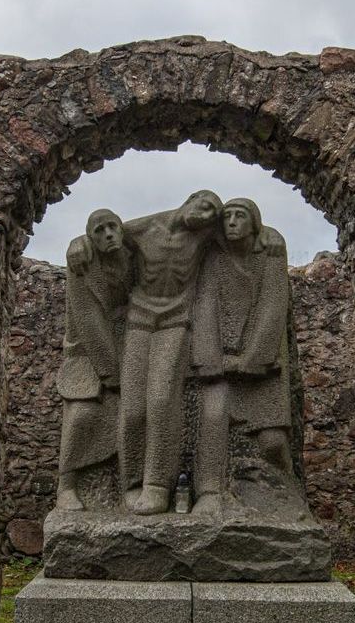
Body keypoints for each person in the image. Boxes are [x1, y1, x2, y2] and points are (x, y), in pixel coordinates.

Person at [115, 190, 223, 514]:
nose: (206, 216)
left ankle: (157, 486)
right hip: (139, 319)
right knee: (133, 407)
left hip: (176, 320)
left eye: (212, 214)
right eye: (204, 206)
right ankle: (132, 483)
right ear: (190, 200)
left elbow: (245, 234)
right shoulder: (141, 229)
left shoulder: (205, 236)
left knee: (161, 401)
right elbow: (102, 241)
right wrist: (79, 247)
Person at [190, 197, 294, 513]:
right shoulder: (213, 259)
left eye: (240, 216)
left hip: (264, 367)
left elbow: (272, 308)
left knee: (273, 444)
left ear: (254, 223)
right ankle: (209, 493)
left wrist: (251, 360)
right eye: (228, 217)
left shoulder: (269, 254)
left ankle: (288, 494)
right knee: (213, 415)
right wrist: (212, 360)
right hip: (219, 364)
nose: (232, 222)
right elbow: (205, 308)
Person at [54, 209, 135, 511]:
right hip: (87, 352)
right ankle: (67, 484)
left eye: (113, 227)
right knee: (82, 414)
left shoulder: (134, 255)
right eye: (99, 231)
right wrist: (110, 372)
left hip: (130, 343)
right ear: (90, 238)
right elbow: (88, 320)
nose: (108, 235)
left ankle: (130, 485)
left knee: (134, 416)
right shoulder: (82, 265)